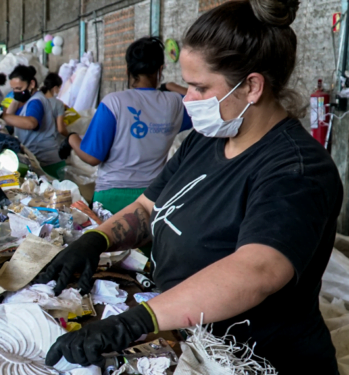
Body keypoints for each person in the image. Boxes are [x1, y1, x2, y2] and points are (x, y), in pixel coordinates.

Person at [39, 0, 341, 373]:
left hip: (255, 361)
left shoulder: (296, 169)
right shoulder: (205, 140)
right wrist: (95, 241)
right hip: (192, 340)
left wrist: (138, 321)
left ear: (251, 87)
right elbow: (148, 208)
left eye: (198, 87)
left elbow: (257, 270)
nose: (186, 99)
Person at [59, 37, 191, 214]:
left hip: (112, 198)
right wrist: (172, 86)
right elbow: (204, 105)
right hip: (154, 198)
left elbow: (92, 157)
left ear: (128, 70)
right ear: (160, 69)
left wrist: (72, 138)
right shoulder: (174, 103)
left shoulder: (114, 103)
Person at [2, 65, 63, 179]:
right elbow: (10, 119)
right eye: (13, 89)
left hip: (47, 161)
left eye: (19, 88)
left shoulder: (36, 101)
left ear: (32, 84)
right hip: (40, 158)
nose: (16, 92)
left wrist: (2, 115)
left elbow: (31, 123)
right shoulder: (28, 99)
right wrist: (17, 97)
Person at [41, 72, 68, 137]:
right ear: (55, 88)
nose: (59, 91)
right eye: (59, 88)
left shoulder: (36, 99)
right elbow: (61, 129)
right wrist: (69, 136)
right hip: (51, 140)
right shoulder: (58, 104)